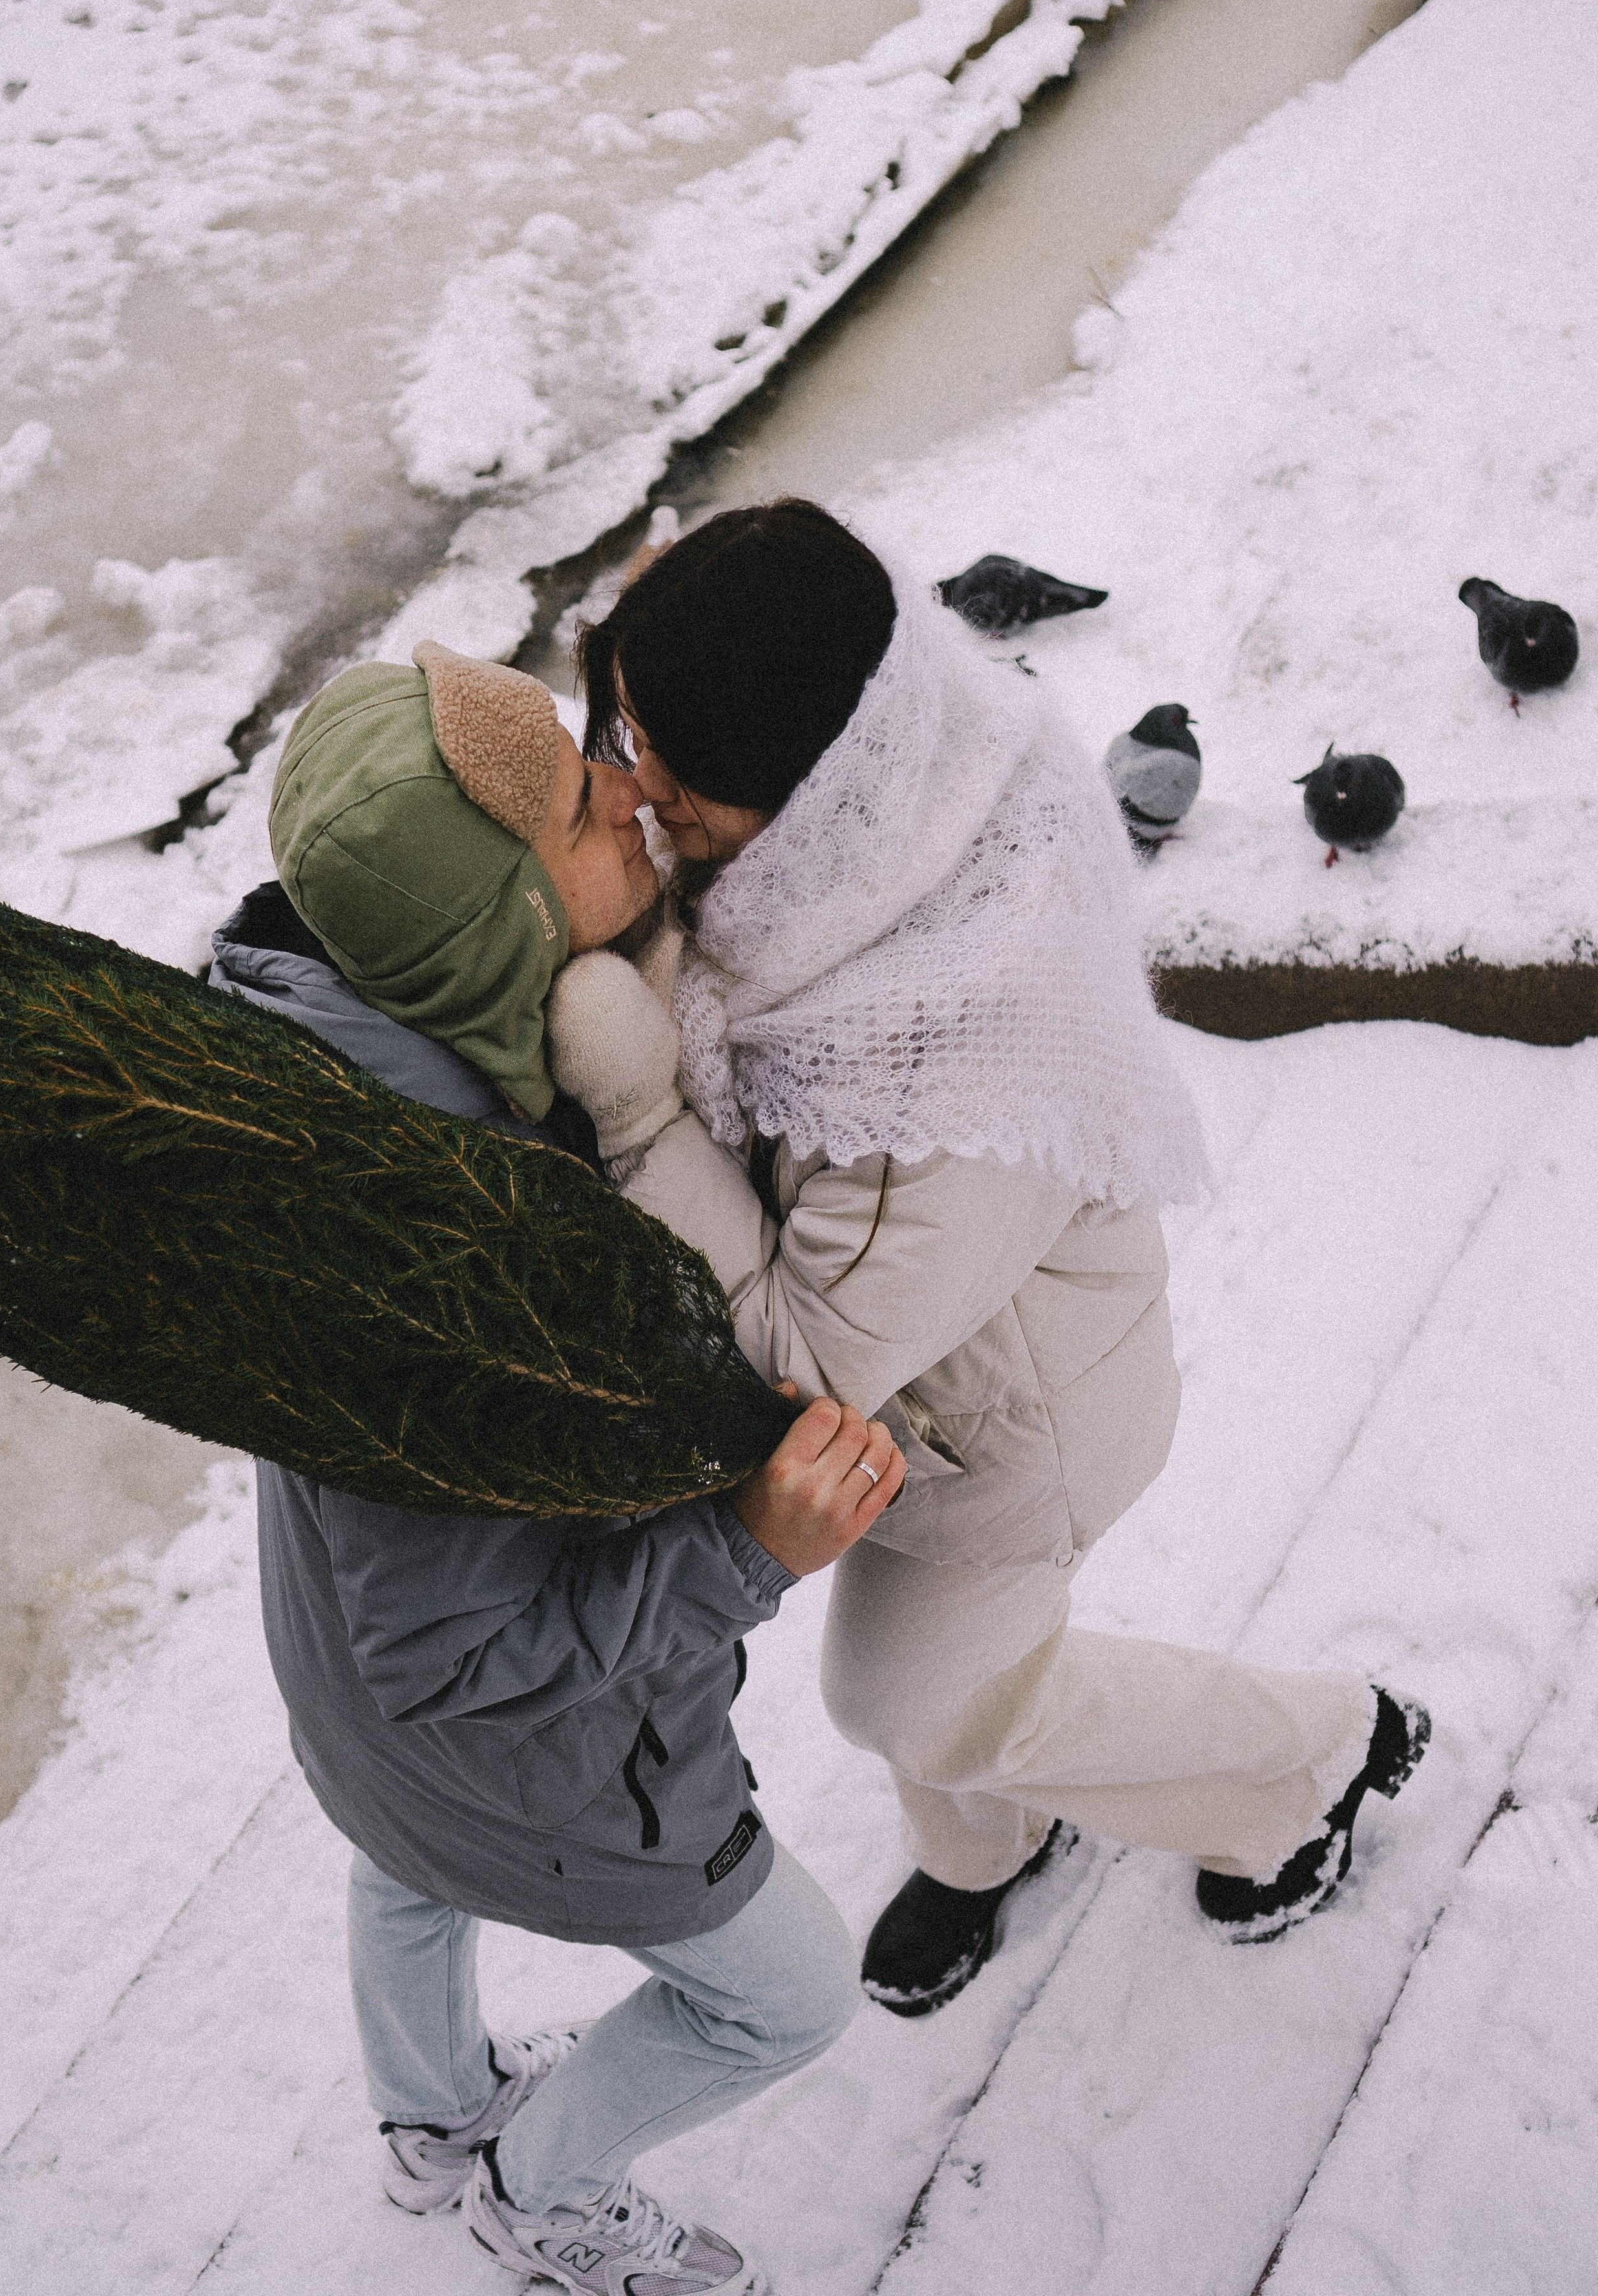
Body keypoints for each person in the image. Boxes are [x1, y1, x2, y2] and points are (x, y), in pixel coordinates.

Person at [539, 498, 1430, 2016]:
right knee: (950, 1696)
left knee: (904, 1696)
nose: (635, 800)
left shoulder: (931, 1062)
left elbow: (810, 1356)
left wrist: (632, 1111)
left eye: (682, 794)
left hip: (1013, 1430)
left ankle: (1309, 1759)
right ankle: (986, 1848)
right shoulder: (916, 777)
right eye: (625, 738)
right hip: (946, 1381)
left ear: (819, 798)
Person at [209, 638, 905, 2295]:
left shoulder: (306, 1077)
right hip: (526, 1762)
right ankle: (540, 2184)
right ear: (495, 938)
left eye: (577, 745)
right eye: (577, 814)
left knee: (400, 1866)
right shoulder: (453, 1255)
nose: (622, 788)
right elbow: (456, 1654)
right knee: (790, 1994)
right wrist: (745, 1548)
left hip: (353, 1725)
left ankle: (428, 2118)